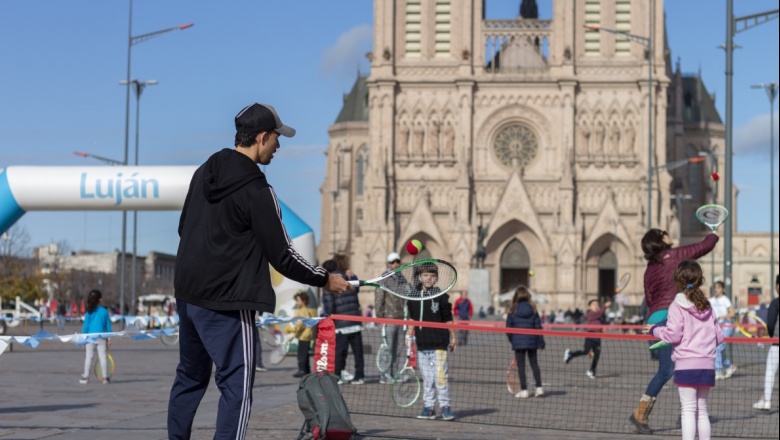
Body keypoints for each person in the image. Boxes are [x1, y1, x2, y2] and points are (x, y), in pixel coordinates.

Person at [167, 102, 352, 440]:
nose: (279, 146)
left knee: (189, 379)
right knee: (236, 388)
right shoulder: (258, 190)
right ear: (262, 137)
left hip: (188, 297)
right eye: (277, 139)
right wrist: (326, 279)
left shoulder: (203, 172)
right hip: (228, 304)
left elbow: (184, 228)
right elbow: (283, 255)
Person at [629, 229, 718, 434]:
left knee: (675, 366)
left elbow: (649, 299)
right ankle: (642, 413)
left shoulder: (650, 268)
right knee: (669, 369)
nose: (669, 234)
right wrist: (713, 232)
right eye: (664, 233)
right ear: (661, 241)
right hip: (670, 315)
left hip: (656, 317)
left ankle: (682, 411)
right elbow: (703, 246)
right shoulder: (674, 256)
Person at [645, 260, 724, 440]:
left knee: (687, 410)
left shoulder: (676, 305)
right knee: (702, 411)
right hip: (707, 365)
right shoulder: (708, 305)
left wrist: (654, 329)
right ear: (700, 280)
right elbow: (719, 336)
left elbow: (672, 336)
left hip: (686, 365)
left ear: (677, 281)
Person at [406, 262, 457, 421]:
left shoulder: (442, 296)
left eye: (432, 276)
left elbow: (448, 318)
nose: (429, 279)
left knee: (441, 377)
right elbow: (412, 319)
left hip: (439, 344)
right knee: (427, 379)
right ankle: (429, 408)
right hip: (422, 344)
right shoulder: (413, 297)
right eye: (426, 275)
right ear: (420, 277)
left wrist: (453, 336)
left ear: (436, 278)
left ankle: (445, 407)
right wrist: (408, 336)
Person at [322, 259, 366, 385]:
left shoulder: (329, 283)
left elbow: (329, 306)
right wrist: (355, 276)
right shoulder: (347, 277)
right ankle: (360, 376)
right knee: (358, 351)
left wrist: (329, 320)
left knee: (339, 351)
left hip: (341, 323)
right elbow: (357, 289)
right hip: (355, 321)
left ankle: (337, 375)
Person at [505, 286, 545, 398]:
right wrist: (541, 342)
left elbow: (508, 328)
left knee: (521, 367)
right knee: (534, 364)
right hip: (532, 341)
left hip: (518, 342)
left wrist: (512, 340)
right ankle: (539, 388)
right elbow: (538, 327)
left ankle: (524, 390)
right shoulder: (533, 308)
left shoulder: (512, 309)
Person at [375, 252, 408, 384]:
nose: (396, 264)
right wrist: (379, 317)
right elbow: (379, 297)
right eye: (393, 262)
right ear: (388, 264)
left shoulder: (402, 278)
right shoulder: (384, 278)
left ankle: (394, 372)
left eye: (398, 262)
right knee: (387, 348)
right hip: (388, 318)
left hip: (400, 318)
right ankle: (384, 374)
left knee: (398, 348)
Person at [563, 299, 611, 379]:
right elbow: (599, 313)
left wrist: (602, 328)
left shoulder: (599, 316)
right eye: (594, 305)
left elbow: (601, 322)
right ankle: (570, 354)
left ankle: (591, 370)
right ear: (590, 307)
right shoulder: (590, 313)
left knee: (597, 355)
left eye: (597, 305)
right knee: (585, 351)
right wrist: (605, 306)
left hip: (597, 338)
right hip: (590, 337)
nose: (596, 306)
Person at [753, 274, 779, 411]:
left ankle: (767, 400)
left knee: (770, 372)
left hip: (776, 344)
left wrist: (769, 334)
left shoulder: (776, 303)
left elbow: (771, 322)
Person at [80, 289, 112, 384]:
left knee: (89, 357)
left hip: (90, 336)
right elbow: (108, 326)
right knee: (103, 356)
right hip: (101, 336)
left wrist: (83, 339)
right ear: (99, 299)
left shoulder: (89, 311)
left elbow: (85, 326)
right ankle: (105, 377)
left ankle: (86, 377)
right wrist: (109, 338)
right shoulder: (104, 311)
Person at [285, 290, 318, 378]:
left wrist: (292, 330)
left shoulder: (304, 311)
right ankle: (306, 370)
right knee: (305, 354)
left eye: (298, 300)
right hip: (304, 336)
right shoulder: (303, 310)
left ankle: (302, 370)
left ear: (303, 301)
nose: (297, 302)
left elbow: (300, 323)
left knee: (301, 354)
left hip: (304, 336)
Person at [708, 281, 736, 379]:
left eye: (718, 287)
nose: (716, 289)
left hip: (727, 327)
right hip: (717, 327)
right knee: (717, 350)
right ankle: (729, 366)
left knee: (718, 348)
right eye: (715, 287)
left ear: (723, 289)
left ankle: (718, 371)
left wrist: (722, 317)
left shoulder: (726, 300)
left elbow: (732, 313)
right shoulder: (711, 300)